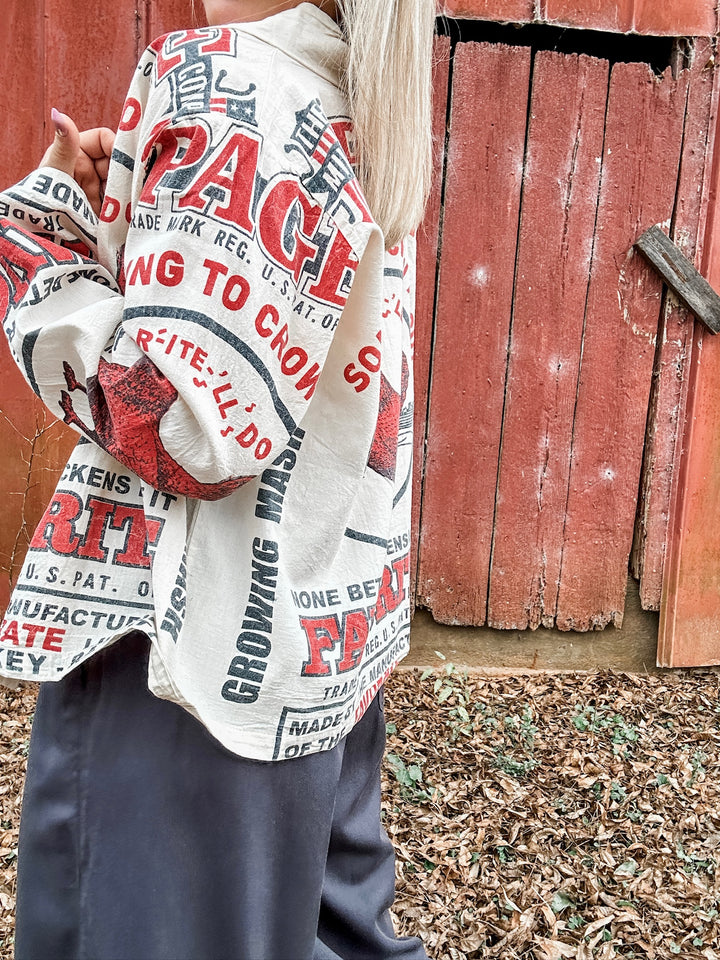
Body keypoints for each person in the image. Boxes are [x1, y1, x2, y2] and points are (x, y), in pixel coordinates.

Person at [0, 0, 435, 956]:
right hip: (314, 648)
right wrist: (143, 208)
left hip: (179, 665)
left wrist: (42, 242)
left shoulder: (232, 75)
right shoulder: (359, 96)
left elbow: (184, 428)